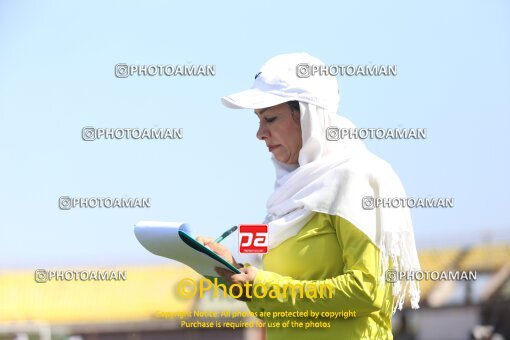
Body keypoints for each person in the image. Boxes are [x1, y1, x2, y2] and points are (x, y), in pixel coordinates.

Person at [196, 52, 421, 340]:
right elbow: (281, 303)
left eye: (270, 118)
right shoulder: (289, 194)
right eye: (258, 120)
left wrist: (262, 286)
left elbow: (368, 290)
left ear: (307, 116)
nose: (260, 133)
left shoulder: (354, 176)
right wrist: (235, 272)